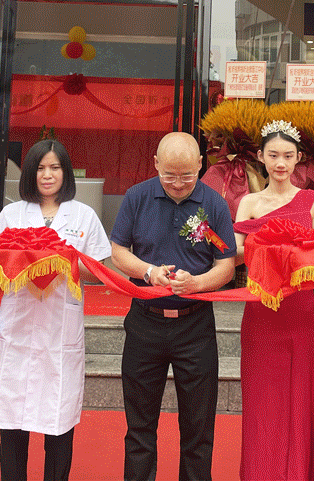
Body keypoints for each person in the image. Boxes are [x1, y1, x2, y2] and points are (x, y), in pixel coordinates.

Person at [0, 139, 112, 481]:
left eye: (55, 167)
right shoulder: (12, 214)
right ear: (30, 173)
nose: (47, 175)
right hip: (18, 326)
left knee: (58, 419)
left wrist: (61, 262)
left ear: (66, 173)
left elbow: (98, 268)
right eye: (40, 168)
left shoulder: (83, 215)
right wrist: (22, 261)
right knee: (12, 419)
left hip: (59, 328)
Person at [110, 131, 236, 481]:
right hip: (145, 323)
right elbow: (118, 251)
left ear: (201, 165)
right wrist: (149, 272)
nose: (178, 184)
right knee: (139, 426)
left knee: (198, 428)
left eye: (187, 175)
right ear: (155, 164)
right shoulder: (137, 197)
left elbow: (226, 265)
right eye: (169, 175)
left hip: (195, 326)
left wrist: (197, 283)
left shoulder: (214, 204)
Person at [233, 120, 314, 481]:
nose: (280, 163)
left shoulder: (312, 200)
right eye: (273, 155)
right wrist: (268, 245)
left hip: (299, 307)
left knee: (301, 395)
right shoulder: (249, 202)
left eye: (288, 156)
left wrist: (292, 252)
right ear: (260, 157)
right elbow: (236, 256)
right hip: (261, 307)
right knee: (262, 398)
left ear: (298, 158)